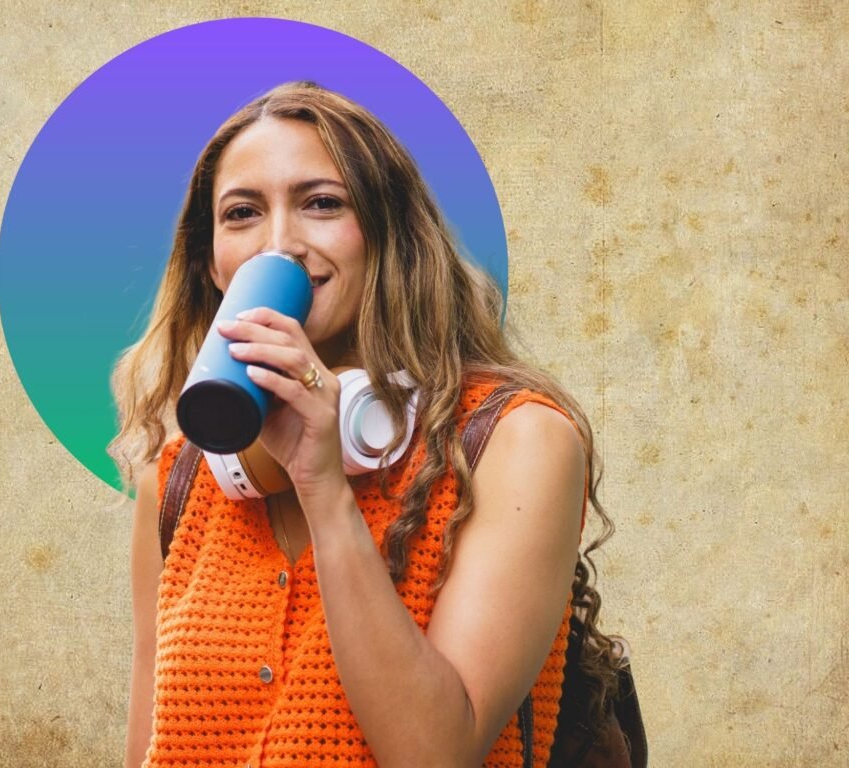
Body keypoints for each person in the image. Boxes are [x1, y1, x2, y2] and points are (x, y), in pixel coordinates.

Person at [109, 81, 622, 767]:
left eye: (322, 203)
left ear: (387, 234)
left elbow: (435, 753)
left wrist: (324, 488)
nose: (280, 245)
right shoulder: (176, 477)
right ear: (212, 263)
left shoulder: (515, 441)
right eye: (241, 214)